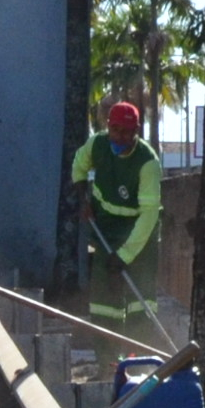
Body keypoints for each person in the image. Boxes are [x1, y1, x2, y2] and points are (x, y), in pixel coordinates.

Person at [70, 100, 165, 325]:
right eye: (115, 130)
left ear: (136, 131)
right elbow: (79, 166)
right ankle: (108, 359)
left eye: (126, 132)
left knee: (140, 304)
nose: (119, 137)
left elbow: (149, 215)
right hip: (106, 228)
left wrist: (124, 256)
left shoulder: (147, 163)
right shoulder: (97, 145)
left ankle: (139, 356)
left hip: (139, 233)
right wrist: (84, 199)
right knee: (104, 303)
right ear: (108, 126)